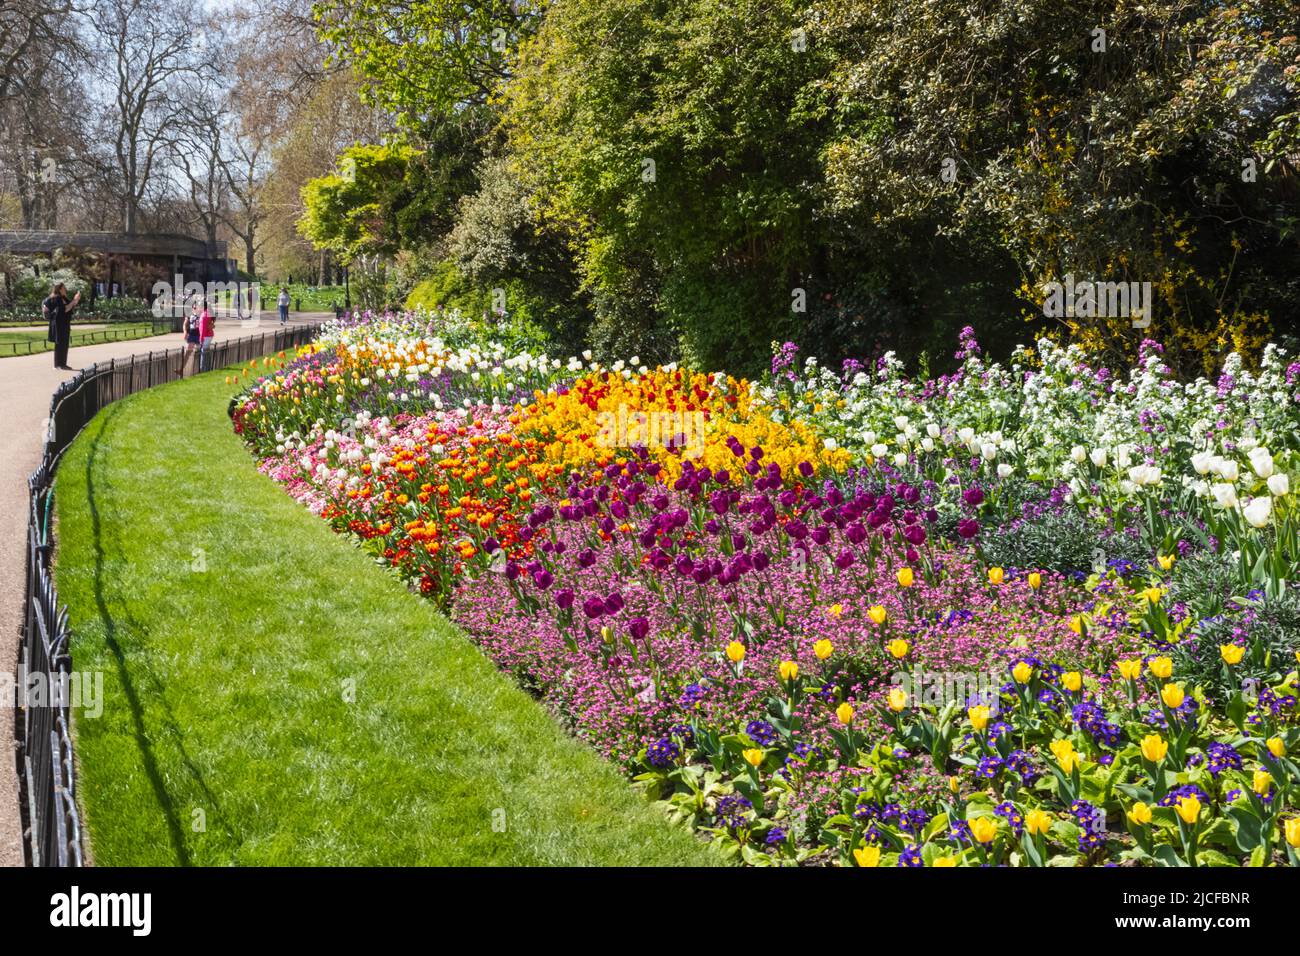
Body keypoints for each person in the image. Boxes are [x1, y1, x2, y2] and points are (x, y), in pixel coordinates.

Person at [43, 282, 81, 370]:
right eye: (64, 288)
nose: (65, 289)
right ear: (59, 289)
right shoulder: (56, 298)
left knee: (65, 343)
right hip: (58, 324)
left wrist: (76, 300)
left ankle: (63, 363)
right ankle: (57, 365)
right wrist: (74, 301)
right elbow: (65, 309)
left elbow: (70, 307)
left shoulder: (63, 298)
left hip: (65, 323)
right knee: (59, 343)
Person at [181, 300, 201, 377]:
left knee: (197, 352)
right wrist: (185, 332)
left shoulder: (202, 315)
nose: (195, 308)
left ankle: (196, 370)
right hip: (192, 335)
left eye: (196, 307)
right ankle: (182, 368)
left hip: (199, 335)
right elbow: (184, 324)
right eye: (194, 307)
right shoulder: (189, 315)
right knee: (188, 352)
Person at [198, 300, 215, 371]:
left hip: (206, 336)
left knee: (203, 352)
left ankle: (203, 368)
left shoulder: (204, 315)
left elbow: (203, 329)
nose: (198, 307)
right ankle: (207, 368)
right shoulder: (206, 313)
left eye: (199, 306)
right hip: (208, 335)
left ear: (202, 306)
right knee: (206, 352)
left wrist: (201, 339)